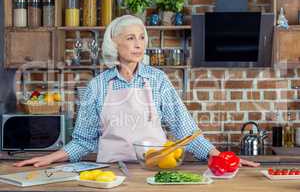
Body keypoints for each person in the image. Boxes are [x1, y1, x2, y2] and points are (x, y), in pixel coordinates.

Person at [14, 15, 259, 168]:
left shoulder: (157, 79)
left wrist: (219, 157)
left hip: (155, 171)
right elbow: (83, 141)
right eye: (130, 38)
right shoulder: (98, 85)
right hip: (110, 172)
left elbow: (185, 130)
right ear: (114, 44)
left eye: (142, 37)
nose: (139, 43)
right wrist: (51, 157)